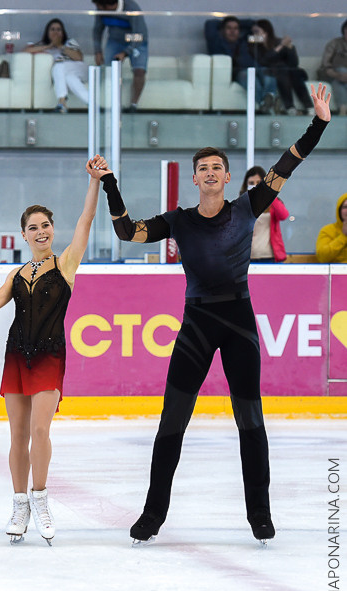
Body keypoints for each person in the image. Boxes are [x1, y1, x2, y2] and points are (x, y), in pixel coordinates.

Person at [101, 85, 331, 545]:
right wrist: (109, 182)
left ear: (228, 178)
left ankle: (260, 515)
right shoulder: (179, 220)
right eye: (202, 168)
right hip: (197, 326)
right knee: (172, 421)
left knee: (251, 420)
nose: (209, 173)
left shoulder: (250, 206)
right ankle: (153, 514)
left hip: (239, 323)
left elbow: (288, 162)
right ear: (195, 179)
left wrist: (319, 123)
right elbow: (128, 231)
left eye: (216, 168)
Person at [0, 155, 107, 544]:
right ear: (23, 235)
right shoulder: (16, 274)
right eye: (32, 228)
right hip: (15, 355)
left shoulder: (66, 263)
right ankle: (19, 502)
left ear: (53, 230)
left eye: (45, 226)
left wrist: (94, 183)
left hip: (50, 355)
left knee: (41, 429)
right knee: (17, 435)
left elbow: (86, 222)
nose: (40, 232)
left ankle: (40, 497)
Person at [205, 16, 278, 113]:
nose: (233, 31)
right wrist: (224, 22)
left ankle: (269, 96)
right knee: (249, 77)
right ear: (222, 30)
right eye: (229, 28)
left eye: (236, 28)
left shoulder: (245, 40)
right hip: (236, 72)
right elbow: (210, 24)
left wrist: (238, 22)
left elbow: (254, 23)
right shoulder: (216, 42)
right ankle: (264, 104)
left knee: (267, 71)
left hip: (255, 68)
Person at [91, 0, 148, 112]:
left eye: (99, 6)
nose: (98, 9)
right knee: (109, 70)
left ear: (108, 5)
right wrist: (97, 51)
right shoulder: (101, 10)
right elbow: (97, 30)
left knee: (139, 71)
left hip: (136, 39)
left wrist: (125, 52)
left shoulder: (132, 8)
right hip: (115, 40)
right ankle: (111, 104)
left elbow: (140, 35)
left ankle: (133, 105)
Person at [249, 19, 313, 115]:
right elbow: (263, 61)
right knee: (282, 70)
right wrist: (280, 46)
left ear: (266, 31)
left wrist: (290, 48)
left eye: (257, 31)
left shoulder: (278, 42)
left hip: (288, 72)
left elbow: (293, 63)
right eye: (253, 32)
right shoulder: (253, 45)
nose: (254, 34)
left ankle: (308, 107)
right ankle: (291, 107)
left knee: (292, 72)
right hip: (269, 71)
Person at [25, 18, 89, 113]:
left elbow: (79, 57)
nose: (56, 32)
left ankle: (62, 102)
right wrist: (49, 46)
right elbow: (26, 51)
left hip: (78, 68)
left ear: (63, 32)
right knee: (70, 78)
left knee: (59, 66)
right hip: (66, 74)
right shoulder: (44, 46)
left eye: (59, 30)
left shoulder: (70, 42)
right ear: (47, 32)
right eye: (52, 29)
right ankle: (92, 103)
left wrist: (60, 46)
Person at [239, 166, 288, 262]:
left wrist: (269, 193)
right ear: (246, 185)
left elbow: (284, 215)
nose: (255, 186)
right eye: (251, 183)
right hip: (247, 257)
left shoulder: (273, 204)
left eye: (259, 183)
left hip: (269, 256)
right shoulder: (241, 205)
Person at [320, 19, 347, 116]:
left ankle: (343, 108)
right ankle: (343, 108)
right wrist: (338, 75)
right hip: (333, 73)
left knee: (340, 80)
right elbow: (325, 64)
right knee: (340, 75)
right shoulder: (335, 43)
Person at [315, 193, 347, 263]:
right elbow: (322, 257)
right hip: (336, 272)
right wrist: (343, 236)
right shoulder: (327, 230)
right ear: (339, 210)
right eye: (345, 207)